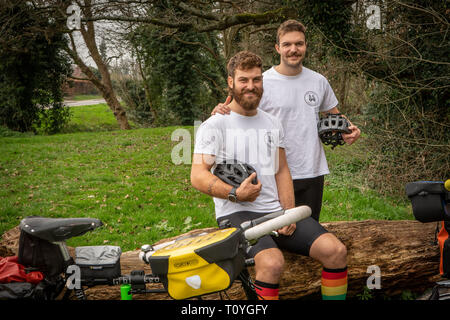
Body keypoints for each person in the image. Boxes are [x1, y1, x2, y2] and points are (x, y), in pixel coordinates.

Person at [191, 51, 348, 300]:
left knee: (335, 251)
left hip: (275, 212)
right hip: (237, 214)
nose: (251, 86)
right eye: (243, 80)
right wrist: (234, 193)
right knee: (272, 263)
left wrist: (289, 211)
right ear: (230, 82)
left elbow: (281, 169)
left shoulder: (272, 122)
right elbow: (198, 175)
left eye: (256, 80)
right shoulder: (215, 125)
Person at [212, 20, 361, 222]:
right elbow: (235, 111)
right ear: (277, 48)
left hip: (311, 169)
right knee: (277, 231)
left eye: (299, 44)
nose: (293, 49)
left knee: (309, 229)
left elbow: (335, 116)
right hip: (273, 172)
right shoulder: (261, 82)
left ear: (306, 46)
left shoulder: (318, 81)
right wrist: (219, 110)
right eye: (287, 44)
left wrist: (350, 129)